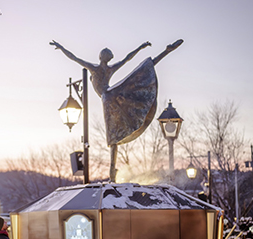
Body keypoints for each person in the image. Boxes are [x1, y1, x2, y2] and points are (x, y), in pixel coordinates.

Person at [50, 39, 183, 181]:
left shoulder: (96, 69)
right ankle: (112, 174)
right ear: (105, 58)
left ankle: (112, 174)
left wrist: (61, 47)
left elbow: (75, 58)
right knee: (138, 76)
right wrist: (140, 47)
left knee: (113, 137)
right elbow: (126, 59)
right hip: (111, 96)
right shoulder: (107, 69)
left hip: (109, 98)